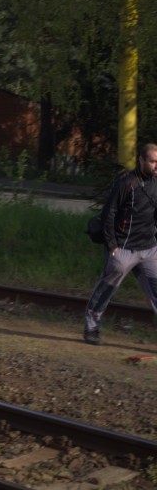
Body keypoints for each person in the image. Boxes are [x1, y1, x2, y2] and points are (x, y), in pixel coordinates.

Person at [83, 142, 157, 345]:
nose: (156, 166)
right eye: (152, 161)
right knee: (107, 288)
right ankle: (91, 328)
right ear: (141, 160)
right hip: (123, 249)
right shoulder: (126, 182)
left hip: (149, 249)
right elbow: (109, 214)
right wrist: (113, 246)